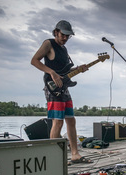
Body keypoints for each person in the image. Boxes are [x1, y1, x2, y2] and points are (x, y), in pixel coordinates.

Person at [31, 20, 92, 164]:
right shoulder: (48, 43)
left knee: (71, 120)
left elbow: (64, 72)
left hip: (63, 87)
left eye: (67, 36)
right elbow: (34, 61)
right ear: (56, 32)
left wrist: (78, 69)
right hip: (52, 87)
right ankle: (54, 156)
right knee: (57, 122)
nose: (65, 38)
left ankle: (75, 154)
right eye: (63, 35)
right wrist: (51, 72)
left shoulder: (64, 50)